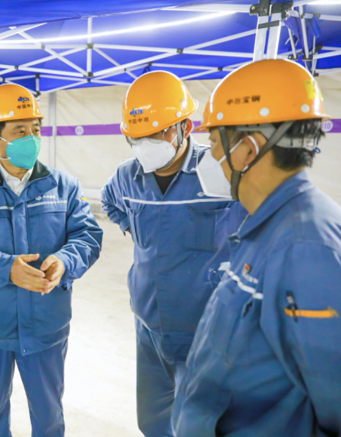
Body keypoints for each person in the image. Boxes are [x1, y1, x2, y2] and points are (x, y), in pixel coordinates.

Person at [172, 59, 341, 436]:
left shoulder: (308, 251)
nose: (210, 158)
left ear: (248, 149)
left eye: (214, 143)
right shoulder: (269, 226)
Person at [0, 83, 103, 437]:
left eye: (35, 129)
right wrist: (5, 267)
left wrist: (65, 260)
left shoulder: (64, 186)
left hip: (46, 323)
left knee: (49, 414)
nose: (31, 138)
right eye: (19, 131)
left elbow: (88, 235)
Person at [101, 71, 246, 436]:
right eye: (136, 137)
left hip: (204, 329)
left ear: (186, 126)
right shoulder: (127, 176)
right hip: (149, 325)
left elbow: (259, 219)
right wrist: (131, 227)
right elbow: (109, 202)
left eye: (158, 133)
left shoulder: (220, 171)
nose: (146, 144)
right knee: (152, 421)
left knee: (201, 424)